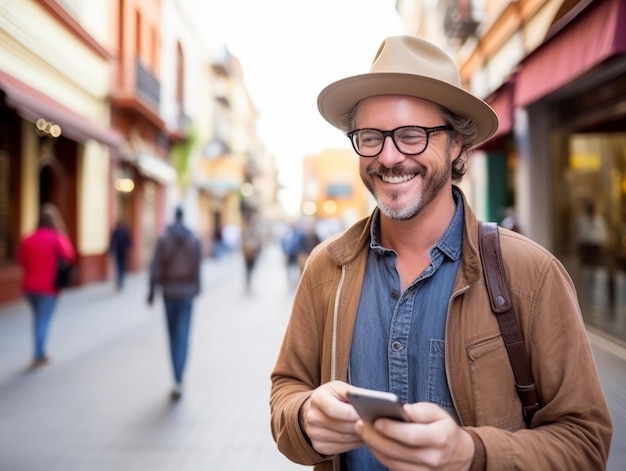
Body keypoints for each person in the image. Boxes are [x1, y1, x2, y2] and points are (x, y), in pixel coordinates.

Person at [270, 35, 612, 470]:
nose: (389, 156)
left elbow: (585, 443)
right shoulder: (326, 269)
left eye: (412, 135)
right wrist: (304, 418)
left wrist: (471, 453)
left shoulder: (531, 273)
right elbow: (287, 388)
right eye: (371, 136)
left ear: (457, 146)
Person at [148, 206, 201, 400]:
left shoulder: (164, 239)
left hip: (169, 292)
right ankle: (180, 378)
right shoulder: (193, 239)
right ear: (184, 216)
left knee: (172, 337)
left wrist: (151, 292)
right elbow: (197, 266)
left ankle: (176, 378)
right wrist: (197, 288)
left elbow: (156, 266)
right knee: (184, 335)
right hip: (187, 293)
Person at [17, 203, 75, 369]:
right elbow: (69, 256)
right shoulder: (57, 238)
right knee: (43, 320)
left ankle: (39, 352)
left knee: (38, 318)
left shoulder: (28, 238)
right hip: (48, 287)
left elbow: (21, 260)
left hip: (29, 287)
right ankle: (39, 354)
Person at [109, 220, 132, 290]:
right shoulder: (125, 232)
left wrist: (110, 250)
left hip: (119, 252)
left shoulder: (117, 232)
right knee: (121, 266)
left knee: (119, 266)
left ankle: (120, 280)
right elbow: (129, 242)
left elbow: (112, 242)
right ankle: (121, 280)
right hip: (123, 252)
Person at [241, 219, 262, 293]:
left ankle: (248, 283)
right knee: (248, 270)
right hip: (249, 255)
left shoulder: (249, 233)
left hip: (251, 255)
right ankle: (248, 284)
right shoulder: (247, 233)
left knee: (249, 270)